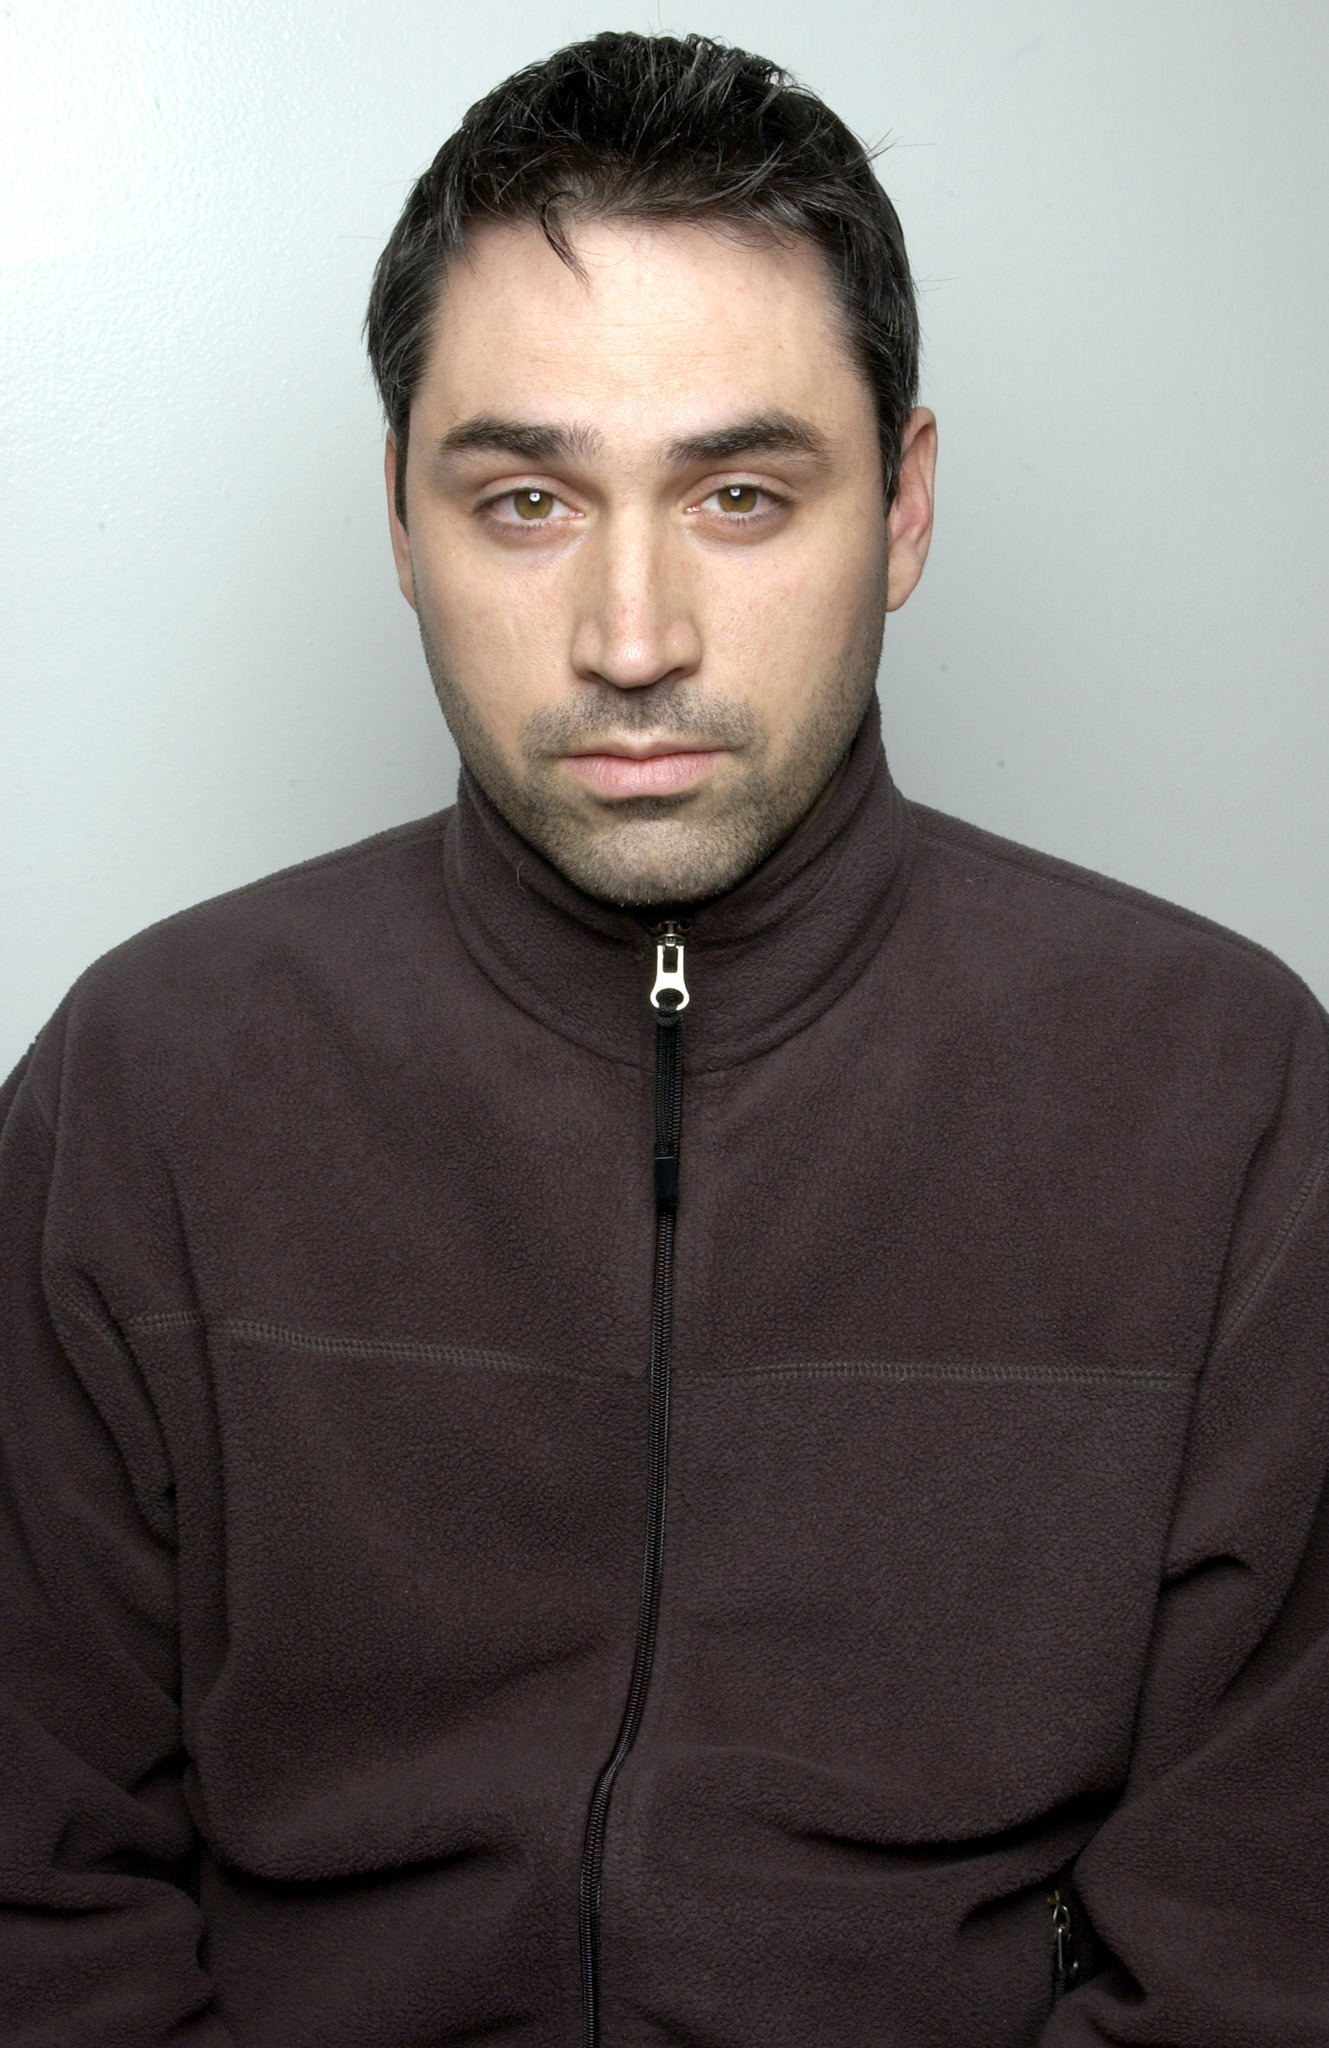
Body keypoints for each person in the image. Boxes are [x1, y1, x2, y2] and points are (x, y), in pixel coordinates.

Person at [1, 28, 1326, 2046]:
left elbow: (1260, 1926)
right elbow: (34, 1895)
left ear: (902, 508)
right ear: (399, 519)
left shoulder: (1226, 1098)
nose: (634, 639)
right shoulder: (144, 1086)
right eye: (527, 498)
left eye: (739, 493)